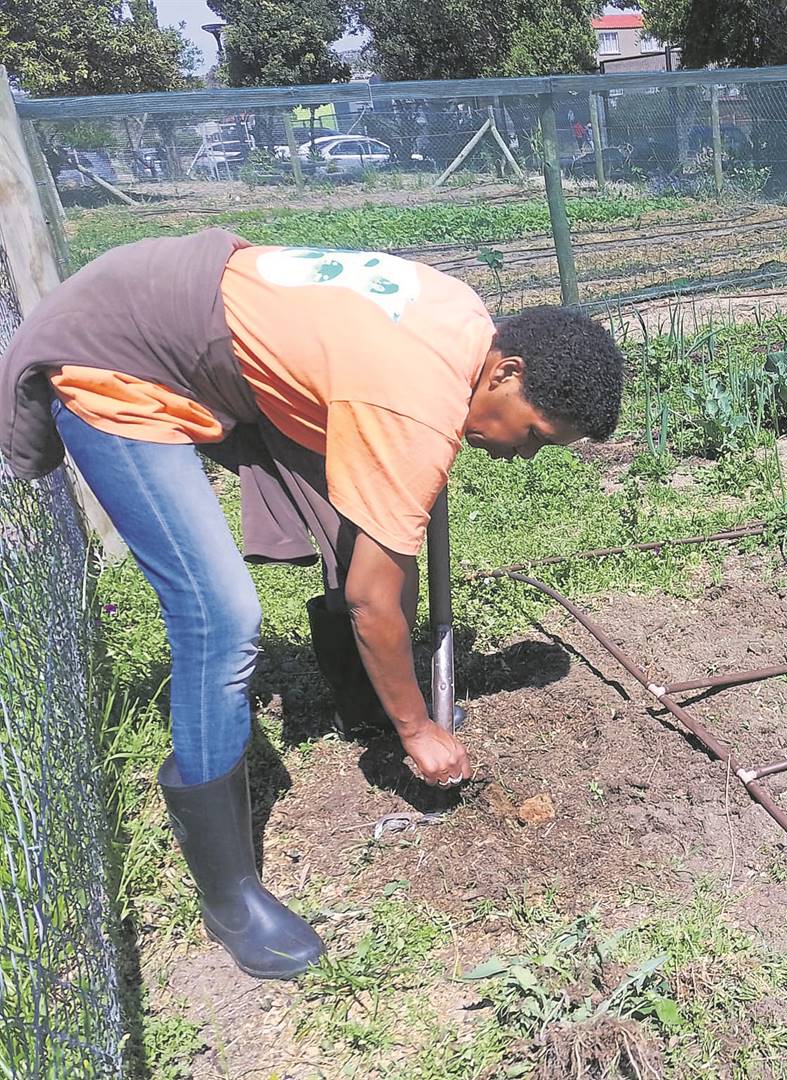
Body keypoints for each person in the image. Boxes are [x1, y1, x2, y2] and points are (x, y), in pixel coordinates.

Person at [0, 231, 625, 980]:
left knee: (382, 545)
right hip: (119, 354)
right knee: (221, 620)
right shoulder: (415, 401)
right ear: (506, 371)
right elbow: (369, 601)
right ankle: (229, 896)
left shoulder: (466, 324)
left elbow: (382, 560)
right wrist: (420, 727)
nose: (524, 456)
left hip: (176, 301)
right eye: (534, 435)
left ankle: (365, 704)